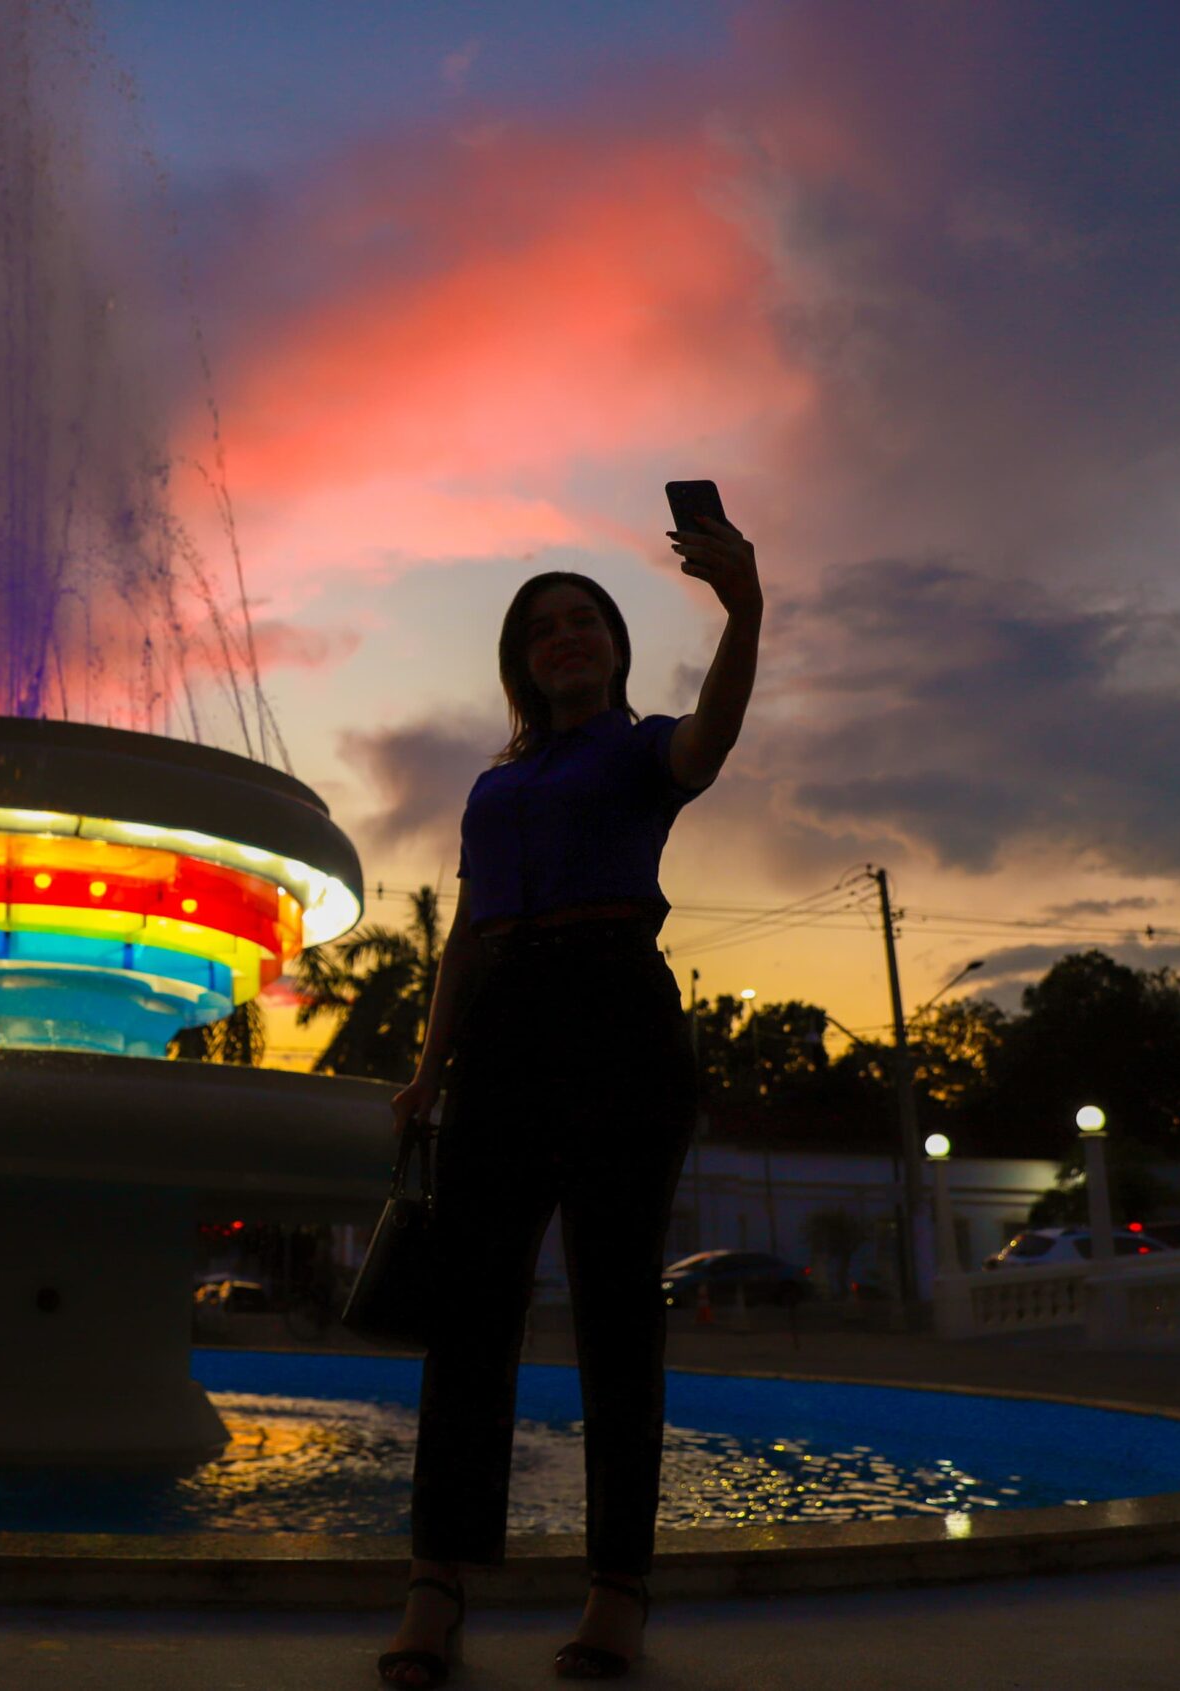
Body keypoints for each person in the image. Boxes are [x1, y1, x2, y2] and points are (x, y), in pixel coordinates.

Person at [377, 515, 762, 1689]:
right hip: (502, 1031)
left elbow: (714, 736)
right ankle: (436, 1583)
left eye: (582, 620)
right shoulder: (495, 787)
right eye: (541, 628)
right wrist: (429, 1069)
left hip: (618, 1019)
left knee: (612, 1310)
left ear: (613, 646)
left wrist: (744, 610)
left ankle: (617, 1588)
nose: (563, 638)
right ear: (518, 659)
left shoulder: (645, 749)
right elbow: (462, 937)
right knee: (470, 1318)